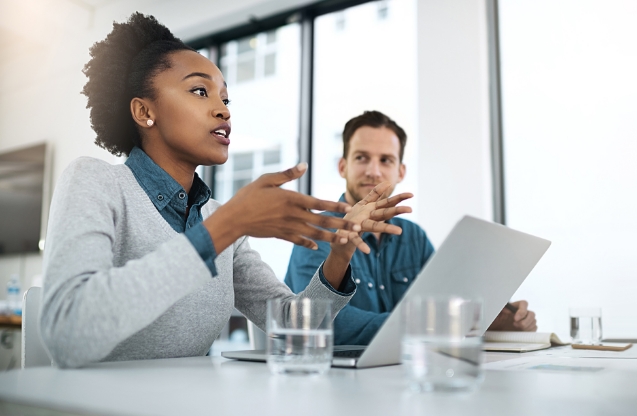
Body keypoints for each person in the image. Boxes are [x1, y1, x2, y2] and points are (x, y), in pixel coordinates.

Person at [39, 14, 413, 368]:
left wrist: (341, 252)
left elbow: (293, 325)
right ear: (143, 111)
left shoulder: (218, 219)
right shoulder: (96, 182)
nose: (223, 110)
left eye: (225, 98)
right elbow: (67, 332)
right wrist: (225, 227)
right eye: (200, 91)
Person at [285, 110, 537, 345]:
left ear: (400, 172)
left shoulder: (413, 237)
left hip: (404, 374)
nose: (373, 171)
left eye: (386, 160)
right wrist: (442, 324)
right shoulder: (316, 231)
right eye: (362, 158)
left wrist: (493, 320)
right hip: (335, 380)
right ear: (343, 167)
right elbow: (327, 324)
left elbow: (448, 303)